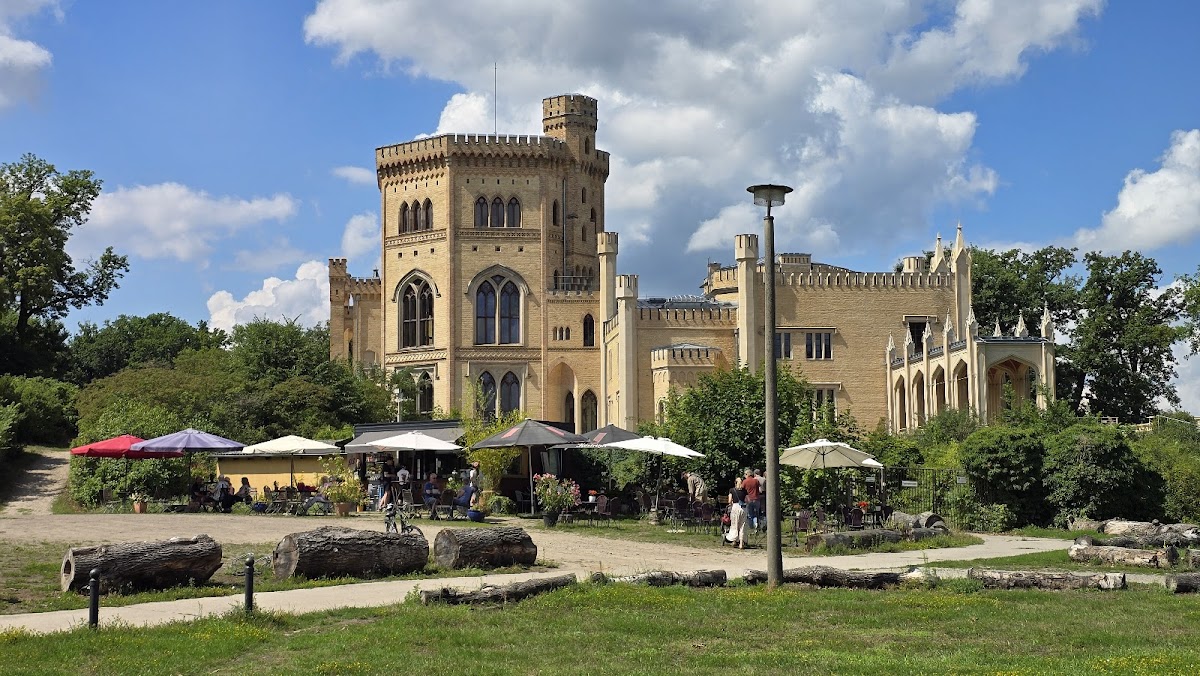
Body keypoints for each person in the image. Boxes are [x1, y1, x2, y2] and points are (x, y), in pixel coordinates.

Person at [723, 478, 748, 549]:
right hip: (743, 508)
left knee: (734, 525)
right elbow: (747, 500)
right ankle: (741, 543)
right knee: (742, 526)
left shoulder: (732, 490)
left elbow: (729, 501)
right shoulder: (744, 491)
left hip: (735, 507)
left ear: (735, 483)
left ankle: (734, 540)